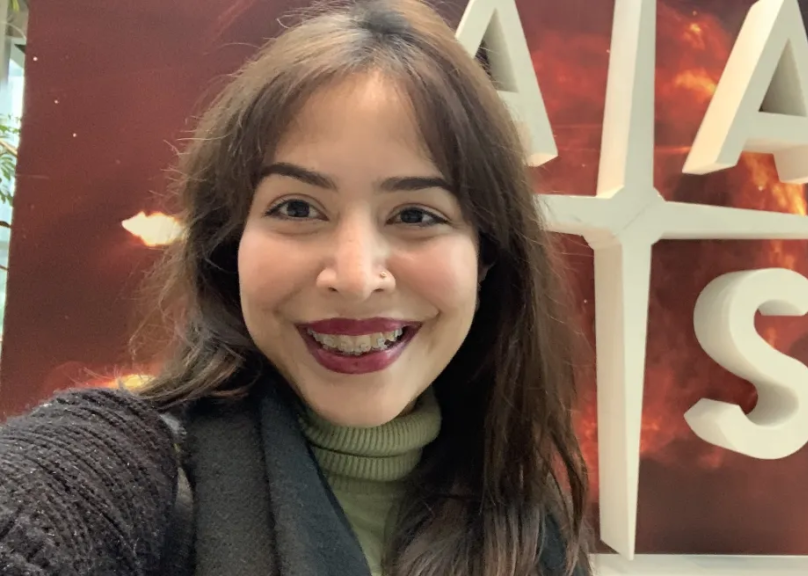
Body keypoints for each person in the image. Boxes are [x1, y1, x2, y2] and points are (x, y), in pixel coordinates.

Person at [0, 0, 592, 574]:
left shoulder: (537, 528)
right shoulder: (129, 468)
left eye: (416, 215)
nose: (356, 279)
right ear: (229, 243)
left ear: (487, 256)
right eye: (298, 207)